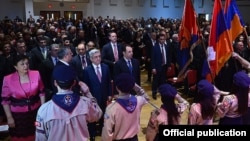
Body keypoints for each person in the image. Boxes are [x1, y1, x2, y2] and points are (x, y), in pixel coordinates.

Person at [35, 65, 102, 141]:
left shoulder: (44, 109)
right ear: (73, 83)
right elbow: (98, 114)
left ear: (55, 83)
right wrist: (87, 93)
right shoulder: (85, 103)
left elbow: (40, 137)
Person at [1, 54, 45, 141]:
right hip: (18, 118)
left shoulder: (36, 74)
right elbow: (5, 101)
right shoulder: (8, 79)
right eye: (22, 64)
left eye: (27, 63)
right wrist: (9, 117)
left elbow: (42, 92)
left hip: (36, 114)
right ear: (15, 67)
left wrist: (43, 111)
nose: (26, 66)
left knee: (38, 134)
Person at [101, 73, 149, 141]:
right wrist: (135, 87)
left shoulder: (111, 108)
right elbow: (146, 98)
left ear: (117, 88)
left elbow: (107, 132)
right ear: (132, 87)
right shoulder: (138, 100)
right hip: (134, 138)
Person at [83, 48, 112, 141]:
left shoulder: (105, 67)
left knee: (103, 114)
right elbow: (86, 86)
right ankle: (92, 134)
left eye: (99, 56)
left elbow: (109, 82)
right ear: (91, 59)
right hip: (93, 99)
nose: (98, 59)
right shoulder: (87, 70)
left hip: (104, 96)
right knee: (92, 117)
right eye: (95, 57)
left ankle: (101, 130)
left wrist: (110, 94)